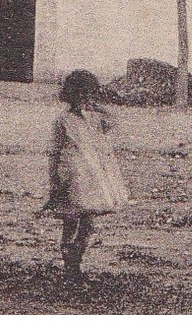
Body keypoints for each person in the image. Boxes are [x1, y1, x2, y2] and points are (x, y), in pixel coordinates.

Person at [43, 69, 129, 282]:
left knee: (88, 223)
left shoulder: (93, 119)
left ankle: (75, 261)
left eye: (90, 94)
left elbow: (114, 122)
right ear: (72, 94)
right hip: (71, 177)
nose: (86, 99)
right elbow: (54, 153)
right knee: (71, 221)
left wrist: (97, 107)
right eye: (83, 94)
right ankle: (70, 267)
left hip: (90, 179)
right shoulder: (62, 120)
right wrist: (55, 182)